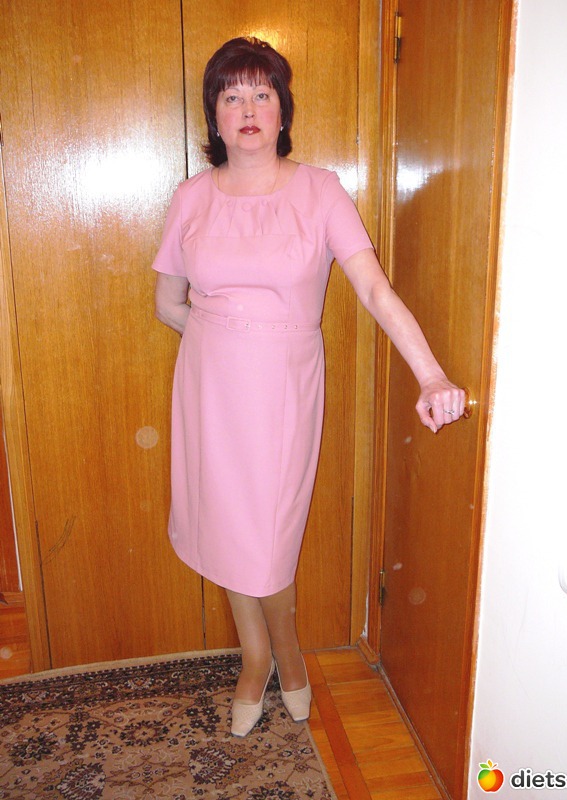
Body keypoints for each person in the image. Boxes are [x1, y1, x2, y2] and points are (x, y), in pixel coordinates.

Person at [152, 36, 464, 738]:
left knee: (268, 530)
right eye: (232, 96)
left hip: (285, 386)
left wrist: (431, 373)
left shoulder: (320, 191)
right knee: (225, 521)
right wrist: (224, 344)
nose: (248, 109)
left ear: (282, 110)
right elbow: (168, 304)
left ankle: (285, 653)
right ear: (214, 115)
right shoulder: (191, 197)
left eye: (262, 94)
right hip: (209, 385)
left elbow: (375, 290)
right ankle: (256, 657)